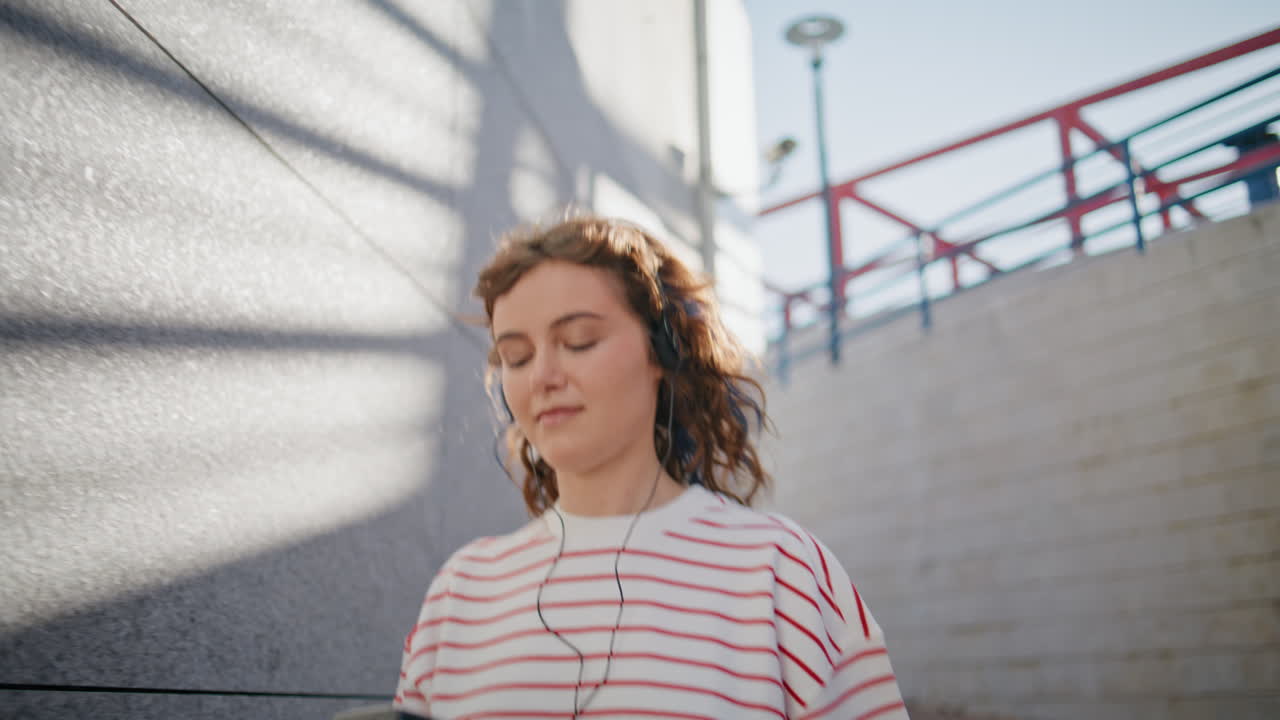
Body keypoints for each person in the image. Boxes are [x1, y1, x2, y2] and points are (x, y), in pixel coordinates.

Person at [393, 215, 908, 719]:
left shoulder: (778, 570)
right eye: (517, 356)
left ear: (661, 351)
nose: (542, 377)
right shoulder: (460, 592)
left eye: (579, 342)